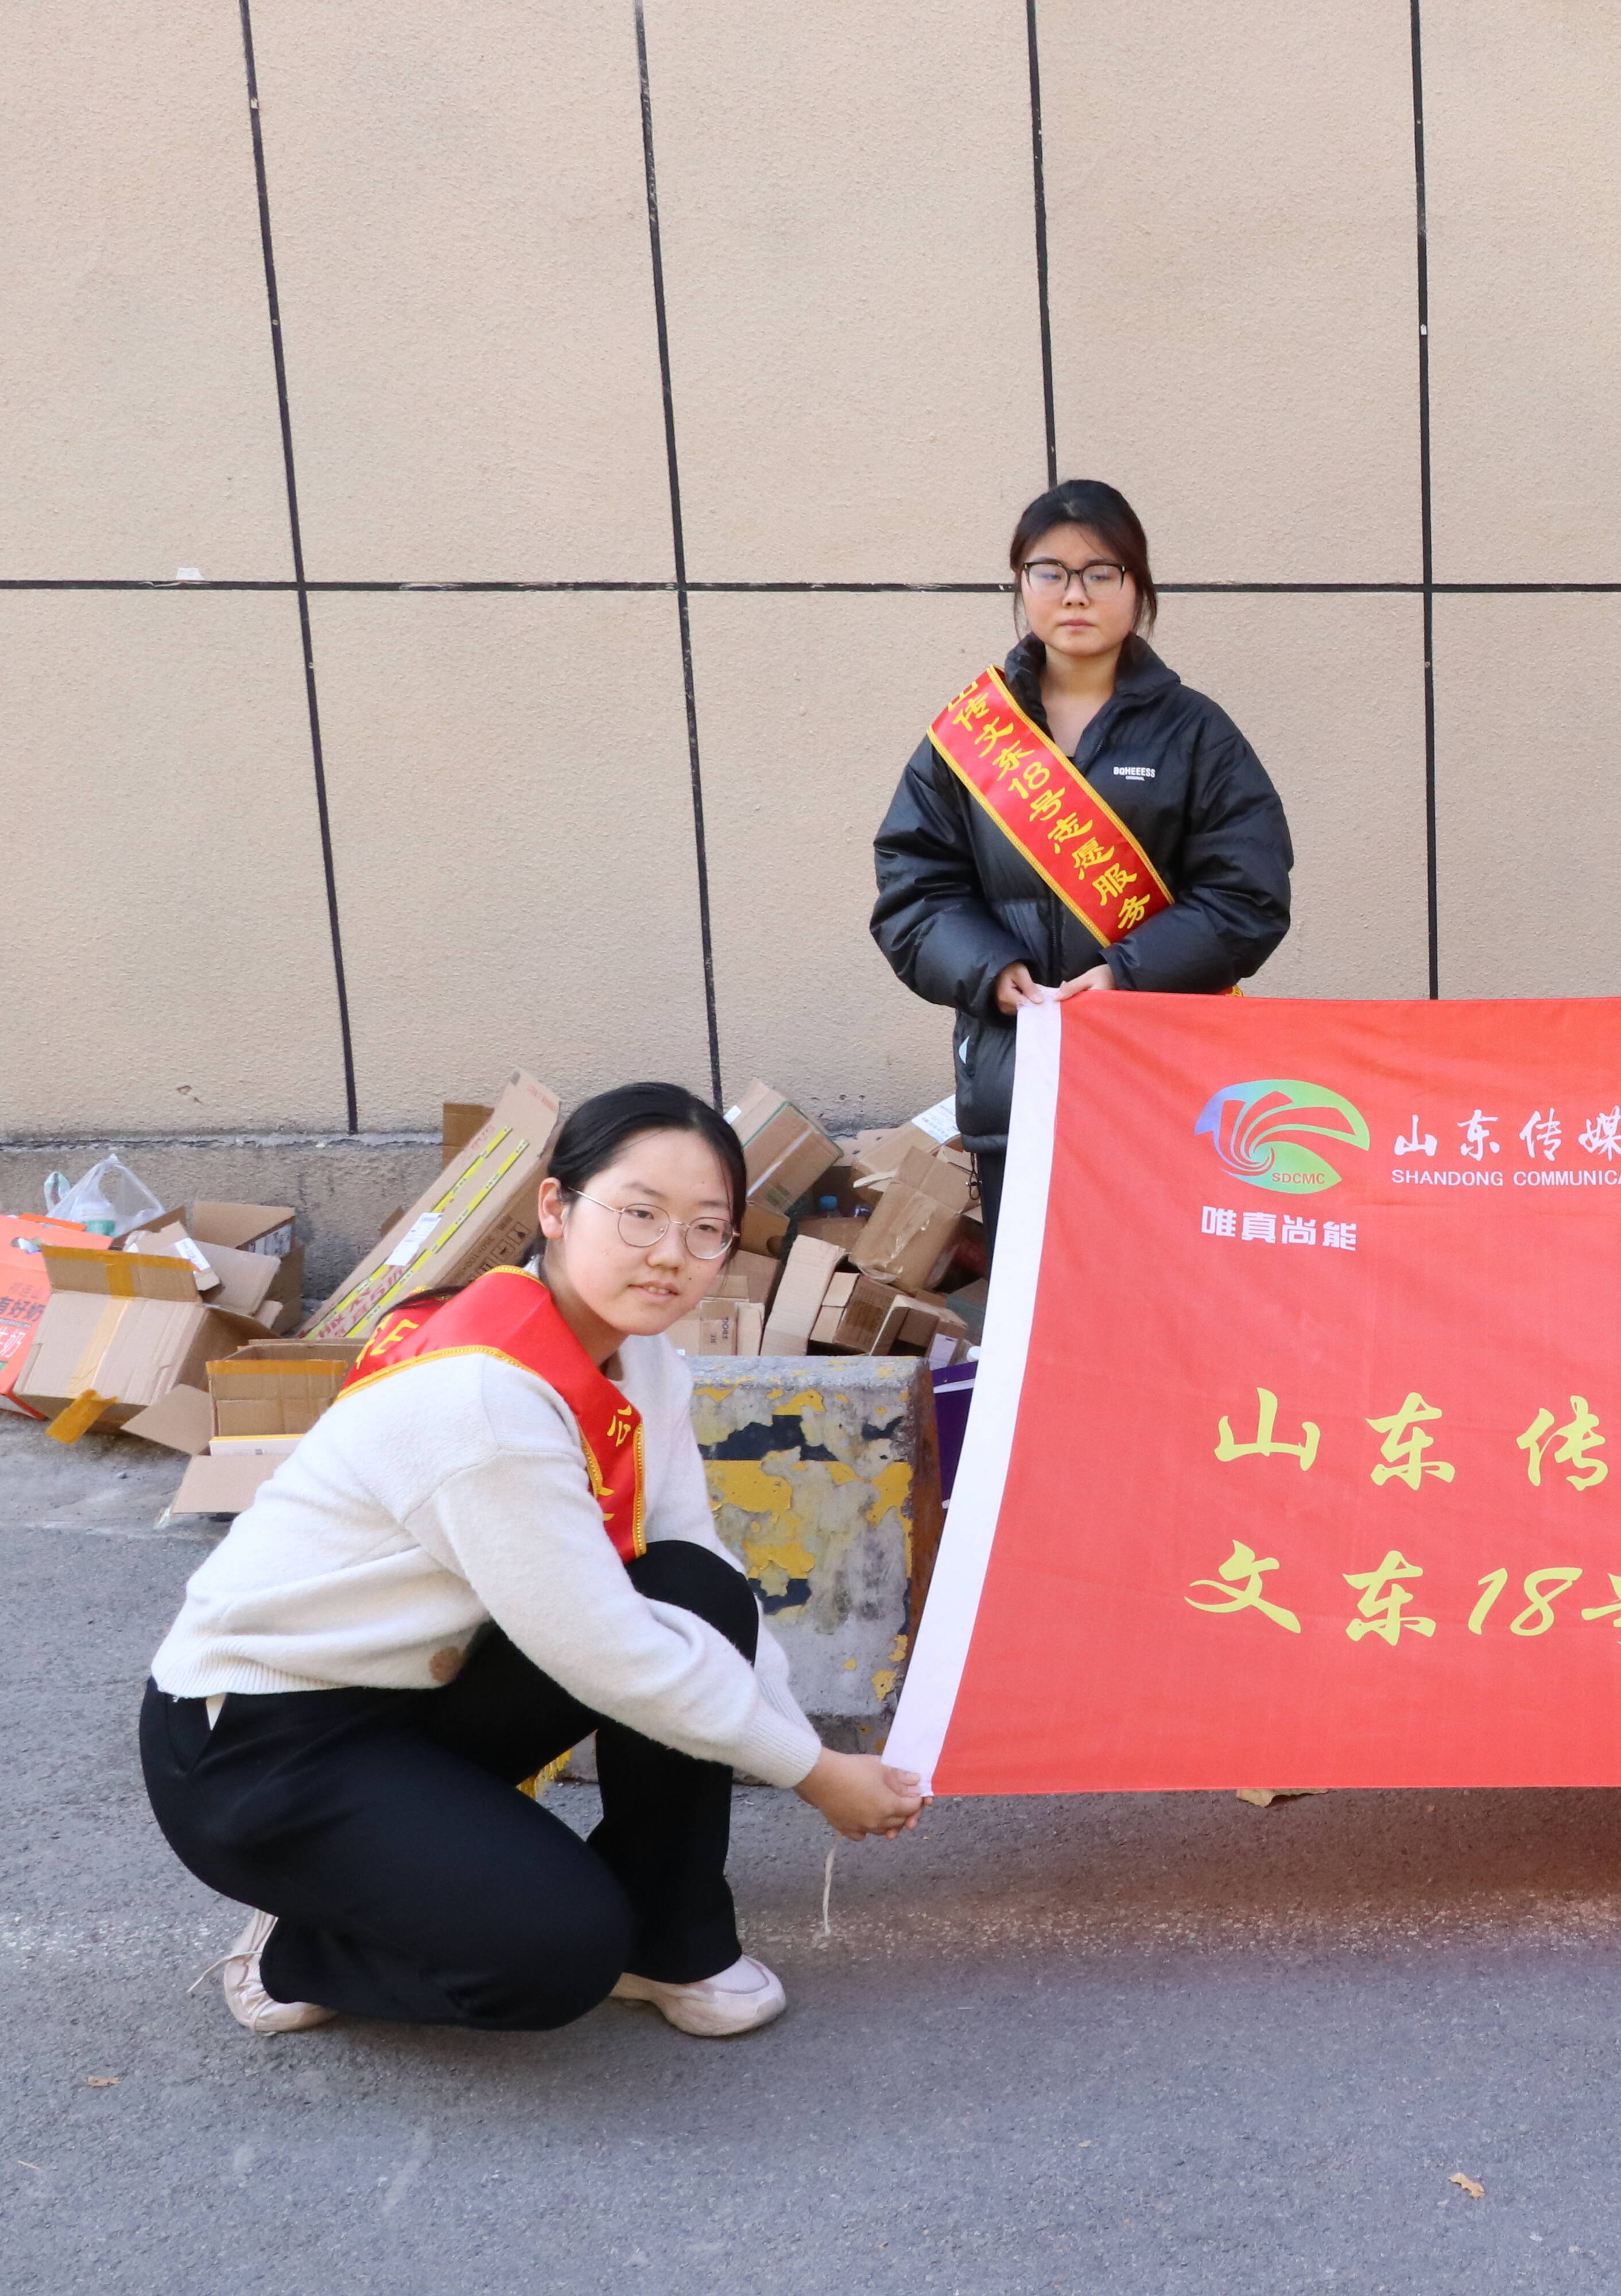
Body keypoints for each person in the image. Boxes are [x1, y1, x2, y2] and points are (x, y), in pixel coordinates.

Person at [140, 1084, 929, 2037]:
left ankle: (671, 1937)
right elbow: (607, 1653)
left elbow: (692, 1565)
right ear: (555, 1208)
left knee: (691, 1586)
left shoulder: (638, 1358)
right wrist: (814, 1771)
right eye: (639, 1214)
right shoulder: (486, 1401)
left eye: (705, 1229)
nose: (670, 1254)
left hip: (421, 1686)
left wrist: (798, 1734)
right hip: (264, 1746)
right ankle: (300, 1944)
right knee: (555, 1954)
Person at [871, 479, 1294, 1218]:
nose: (1075, 595)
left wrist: (1127, 975)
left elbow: (1248, 896)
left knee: (1157, 1279)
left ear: (1138, 587)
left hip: (1159, 1076)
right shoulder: (970, 735)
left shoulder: (1197, 734)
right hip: (1015, 1074)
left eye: (1101, 572)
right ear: (1021, 583)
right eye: (1050, 572)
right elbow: (915, 890)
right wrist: (990, 971)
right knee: (1030, 1283)